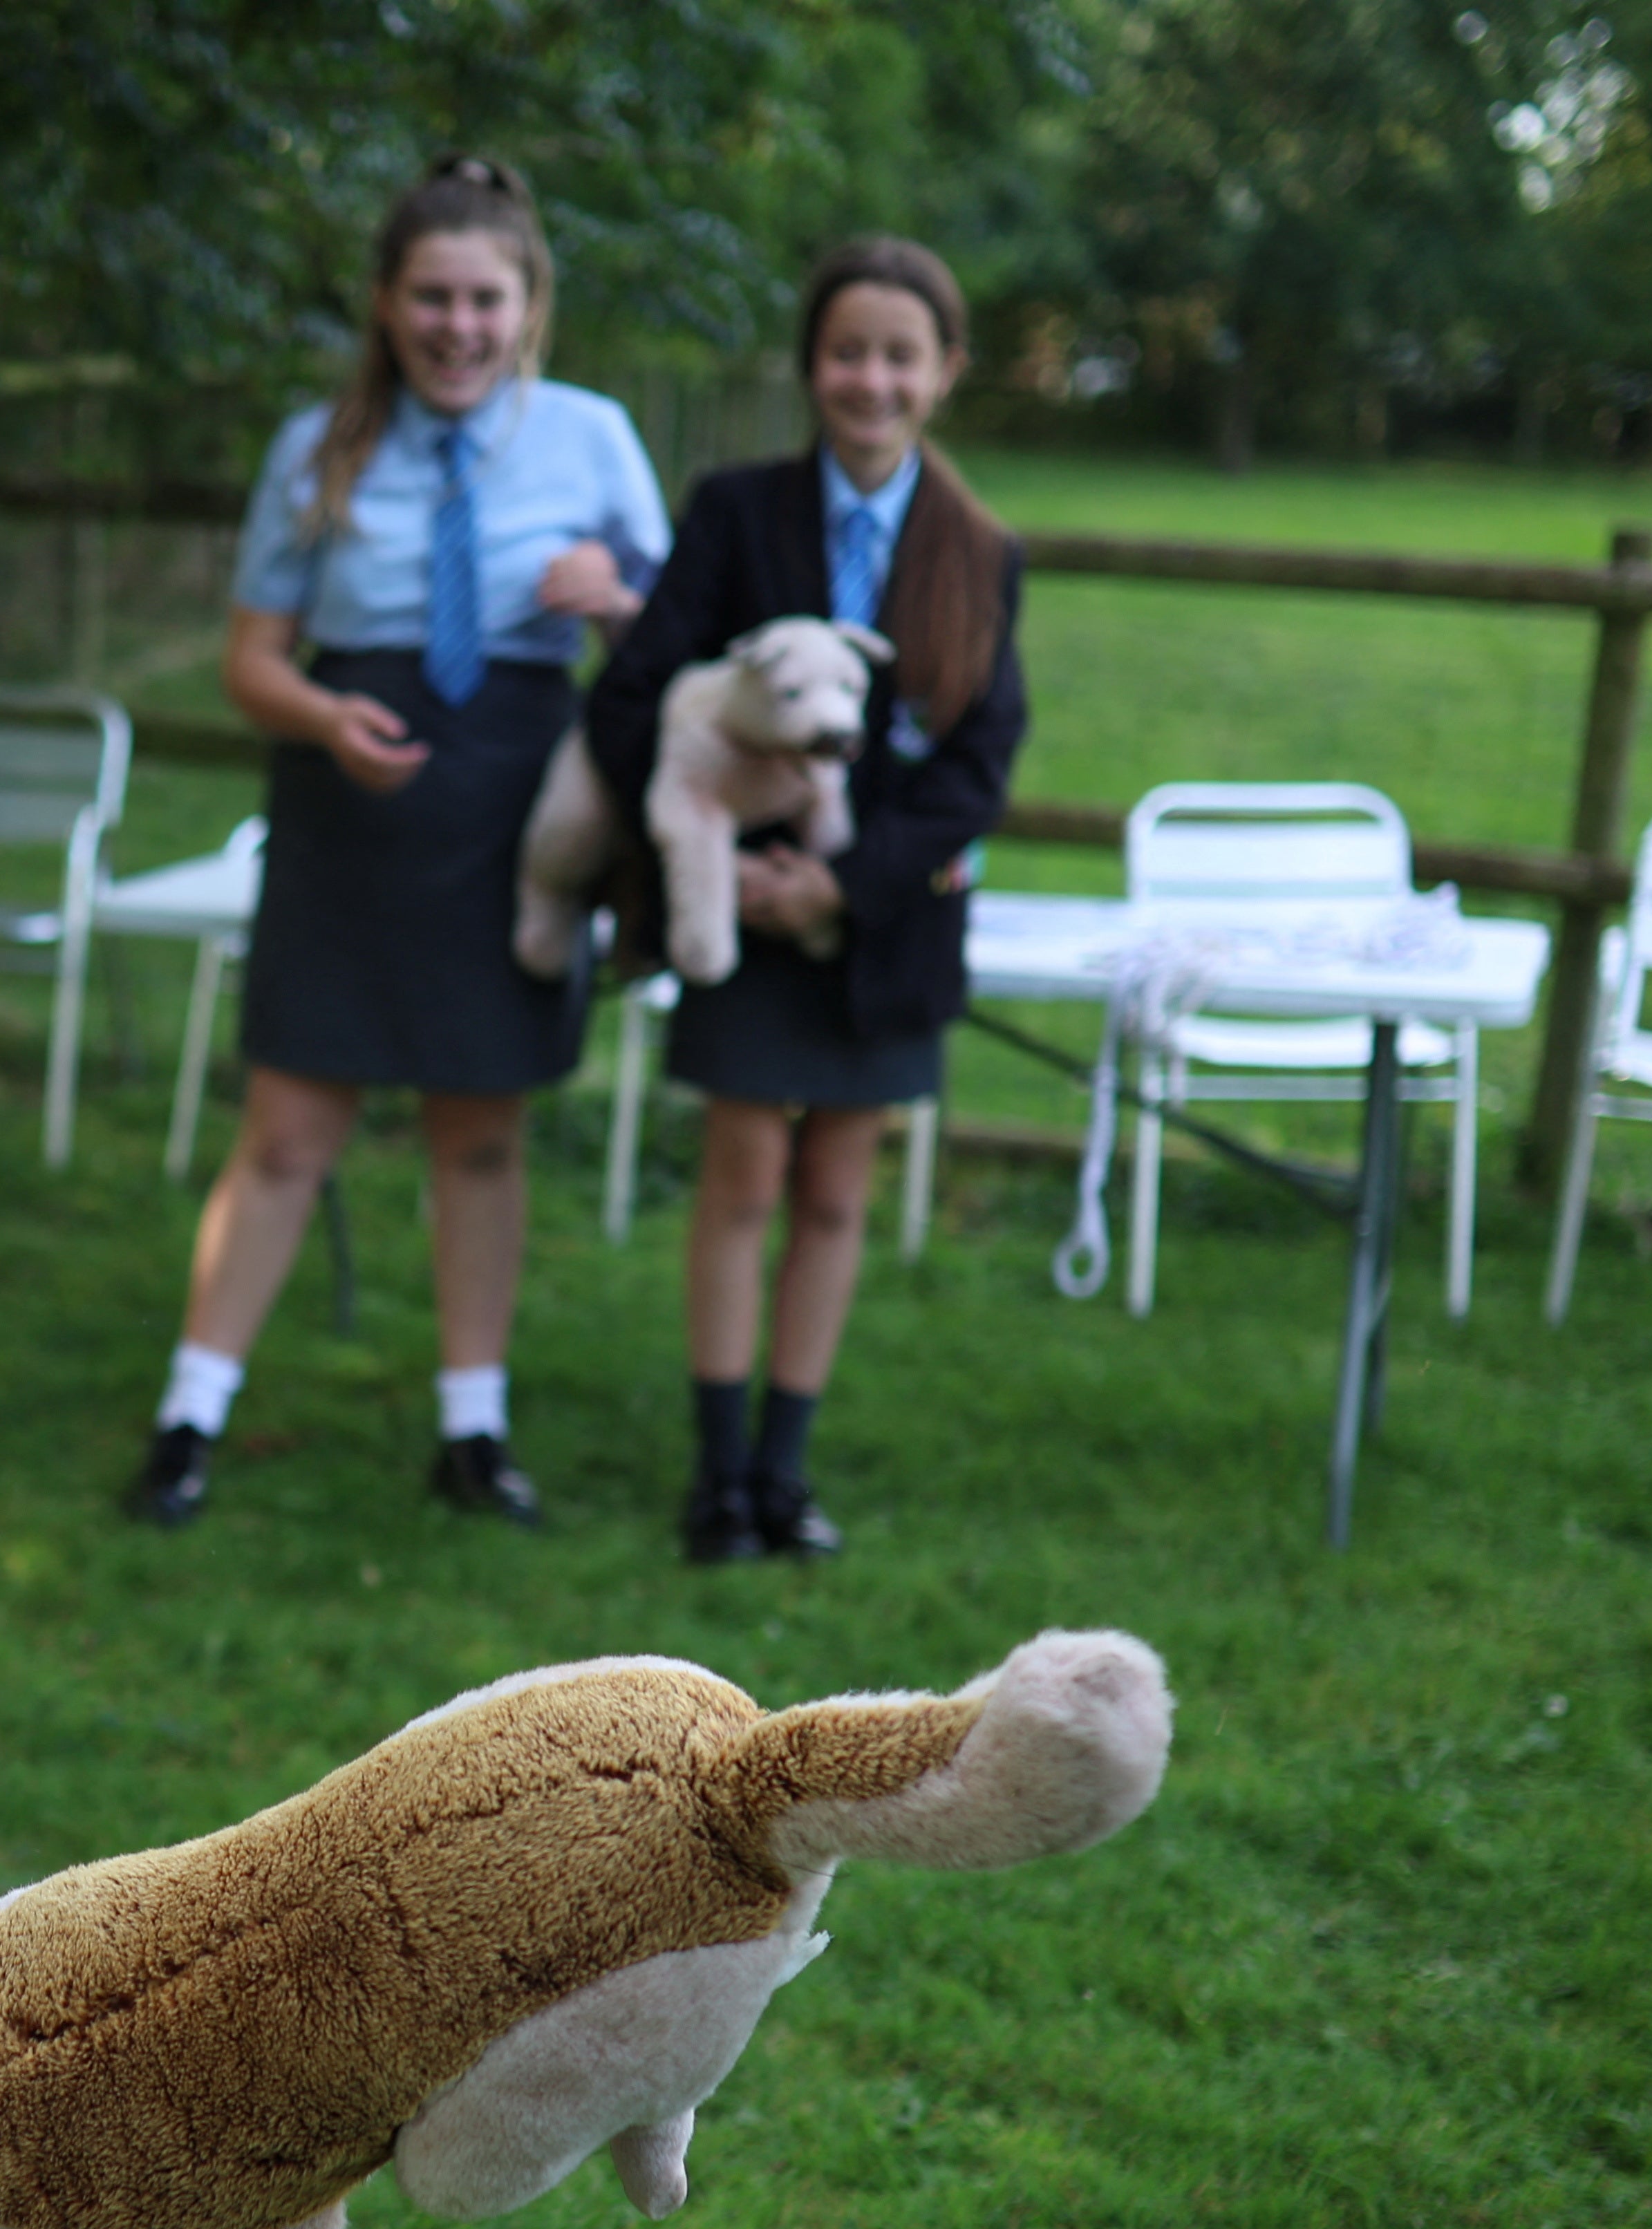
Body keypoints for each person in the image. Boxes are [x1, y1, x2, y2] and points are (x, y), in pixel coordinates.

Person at [123, 154, 670, 1530]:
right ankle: (190, 1417)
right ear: (386, 301)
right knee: (291, 1127)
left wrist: (615, 599)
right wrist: (322, 712)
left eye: (486, 299)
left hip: (519, 812)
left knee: (480, 1131)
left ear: (529, 302)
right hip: (346, 806)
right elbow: (251, 661)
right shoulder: (315, 449)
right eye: (432, 298)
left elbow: (675, 654)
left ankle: (472, 1431)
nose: (459, 327)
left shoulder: (596, 438)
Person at [583, 235, 1026, 1563]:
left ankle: (786, 1473)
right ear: (809, 366)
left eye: (902, 356)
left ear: (945, 372)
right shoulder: (733, 513)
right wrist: (721, 857)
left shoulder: (980, 553)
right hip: (733, 897)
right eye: (848, 353)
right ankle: (716, 1480)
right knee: (743, 1170)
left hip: (881, 916)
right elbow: (636, 697)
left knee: (836, 1186)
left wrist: (833, 881)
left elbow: (974, 770)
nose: (872, 381)